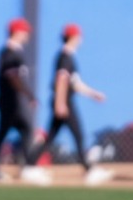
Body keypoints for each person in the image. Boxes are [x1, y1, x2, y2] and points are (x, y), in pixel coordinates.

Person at [21, 23, 110, 186]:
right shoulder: (64, 57)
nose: (81, 39)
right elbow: (61, 79)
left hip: (63, 101)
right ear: (73, 37)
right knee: (78, 135)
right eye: (79, 36)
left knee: (53, 136)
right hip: (63, 102)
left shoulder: (69, 57)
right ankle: (88, 170)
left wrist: (93, 94)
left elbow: (75, 83)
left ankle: (30, 166)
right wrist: (60, 103)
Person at [0, 18, 36, 179]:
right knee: (25, 129)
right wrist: (28, 95)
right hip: (11, 100)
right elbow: (12, 76)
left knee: (13, 131)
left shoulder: (14, 52)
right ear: (17, 32)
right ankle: (26, 167)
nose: (27, 35)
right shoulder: (9, 52)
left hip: (12, 99)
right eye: (25, 32)